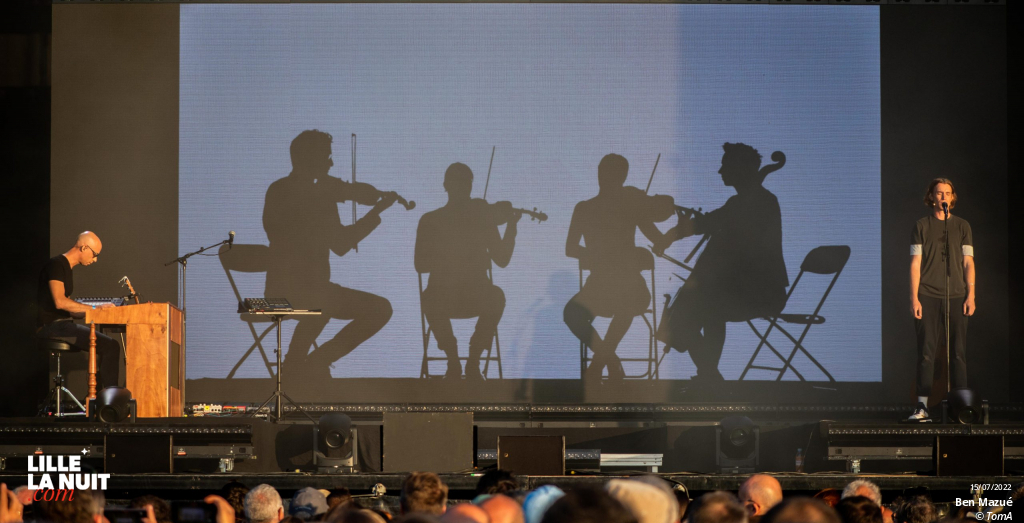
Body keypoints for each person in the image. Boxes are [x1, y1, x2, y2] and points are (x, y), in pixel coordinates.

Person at [264, 130, 396, 382]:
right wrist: (376, 211)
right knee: (331, 300)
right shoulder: (305, 195)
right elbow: (341, 244)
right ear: (310, 159)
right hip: (287, 293)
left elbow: (339, 242)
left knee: (371, 307)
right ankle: (300, 364)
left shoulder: (287, 191)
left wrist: (356, 202)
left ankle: (307, 363)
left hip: (304, 288)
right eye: (327, 157)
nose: (331, 163)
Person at [656, 143, 788, 381]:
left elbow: (713, 224)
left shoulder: (758, 202)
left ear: (741, 168)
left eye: (725, 165)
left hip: (761, 291)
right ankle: (709, 375)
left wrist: (671, 235)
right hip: (740, 288)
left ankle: (708, 375)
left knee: (707, 307)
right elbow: (713, 222)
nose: (720, 171)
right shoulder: (742, 202)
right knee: (694, 311)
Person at [563, 153, 674, 379]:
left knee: (629, 302)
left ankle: (598, 365)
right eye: (604, 172)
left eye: (613, 174)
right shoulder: (584, 208)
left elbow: (655, 236)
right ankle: (609, 360)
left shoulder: (631, 204)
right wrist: (600, 256)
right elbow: (570, 248)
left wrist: (672, 230)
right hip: (598, 286)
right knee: (572, 314)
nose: (606, 177)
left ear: (622, 177)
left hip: (629, 283)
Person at [415, 162, 520, 380]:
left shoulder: (481, 218)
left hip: (474, 294)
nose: (464, 189)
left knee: (496, 297)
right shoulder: (431, 220)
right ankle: (454, 360)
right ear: (446, 186)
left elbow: (501, 259)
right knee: (430, 299)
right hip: (444, 295)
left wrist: (511, 227)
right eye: (460, 183)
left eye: (467, 184)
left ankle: (473, 360)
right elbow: (419, 264)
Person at [908, 178, 974, 421]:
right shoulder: (921, 225)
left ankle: (961, 406)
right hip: (927, 294)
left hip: (956, 295)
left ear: (952, 197)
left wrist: (971, 295)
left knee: (958, 352)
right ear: (932, 197)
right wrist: (914, 298)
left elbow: (968, 262)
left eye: (947, 193)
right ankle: (922, 406)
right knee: (927, 351)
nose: (943, 197)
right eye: (939, 193)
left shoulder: (963, 226)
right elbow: (915, 264)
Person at [36, 231, 123, 390]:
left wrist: (102, 310)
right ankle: (108, 400)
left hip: (61, 325)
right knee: (111, 346)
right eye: (95, 254)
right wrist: (96, 307)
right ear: (83, 248)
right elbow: (60, 302)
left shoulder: (66, 267)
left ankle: (101, 397)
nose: (95, 259)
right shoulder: (56, 265)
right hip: (52, 327)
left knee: (109, 345)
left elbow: (72, 310)